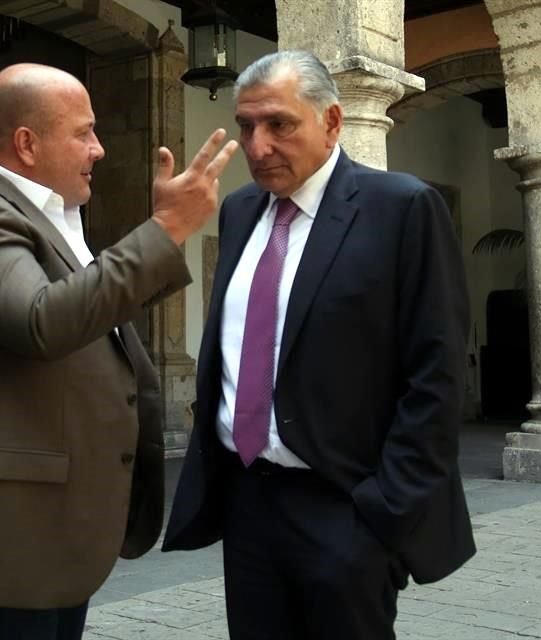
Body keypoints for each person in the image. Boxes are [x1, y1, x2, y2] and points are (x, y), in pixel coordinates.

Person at [0, 63, 237, 640]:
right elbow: (42, 320)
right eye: (84, 132)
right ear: (27, 142)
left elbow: (81, 313)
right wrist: (165, 229)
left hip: (35, 545)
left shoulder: (47, 218)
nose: (98, 149)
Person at [163, 50, 475, 639]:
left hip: (345, 508)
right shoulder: (239, 211)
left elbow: (436, 375)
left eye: (280, 124)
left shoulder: (400, 209)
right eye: (248, 126)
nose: (258, 147)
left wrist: (381, 512)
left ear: (332, 122)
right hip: (249, 503)